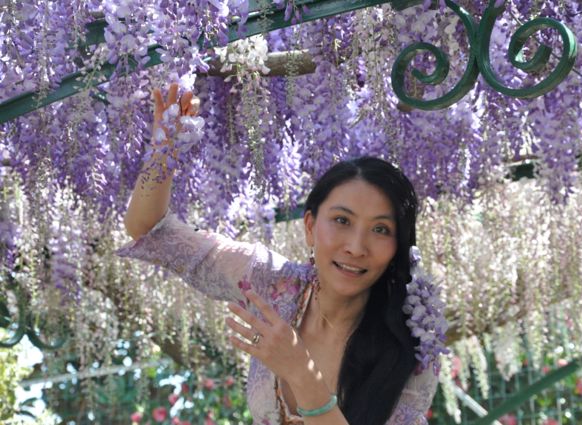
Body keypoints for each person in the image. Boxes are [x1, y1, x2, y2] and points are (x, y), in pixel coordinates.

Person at [118, 83, 447, 425]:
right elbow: (151, 230)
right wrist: (165, 148)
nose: (356, 246)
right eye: (341, 220)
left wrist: (300, 372)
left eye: (381, 229)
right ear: (309, 227)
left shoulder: (414, 341)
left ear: (398, 246)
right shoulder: (274, 283)